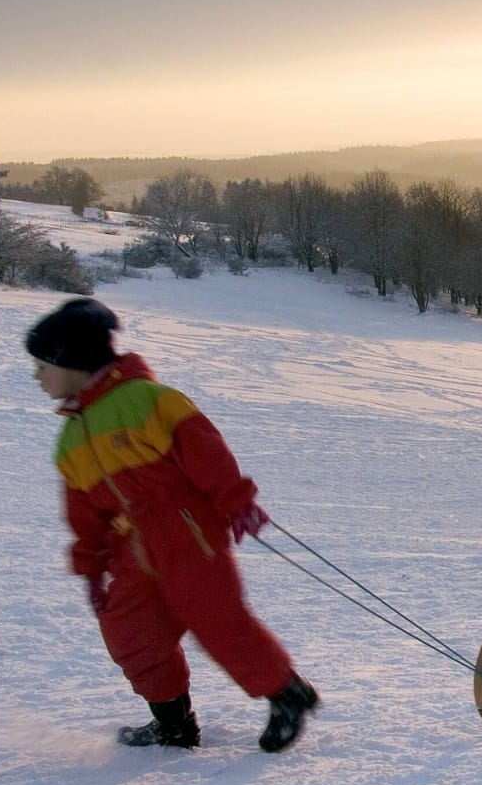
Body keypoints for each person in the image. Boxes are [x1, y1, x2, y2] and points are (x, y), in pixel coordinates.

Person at [27, 298, 317, 753]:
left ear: (72, 359)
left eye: (42, 365)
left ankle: (286, 693)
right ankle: (173, 723)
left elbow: (204, 450)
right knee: (130, 633)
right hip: (129, 548)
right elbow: (83, 514)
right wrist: (91, 565)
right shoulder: (70, 440)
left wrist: (235, 501)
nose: (37, 376)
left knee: (217, 621)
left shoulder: (148, 400)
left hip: (187, 533)